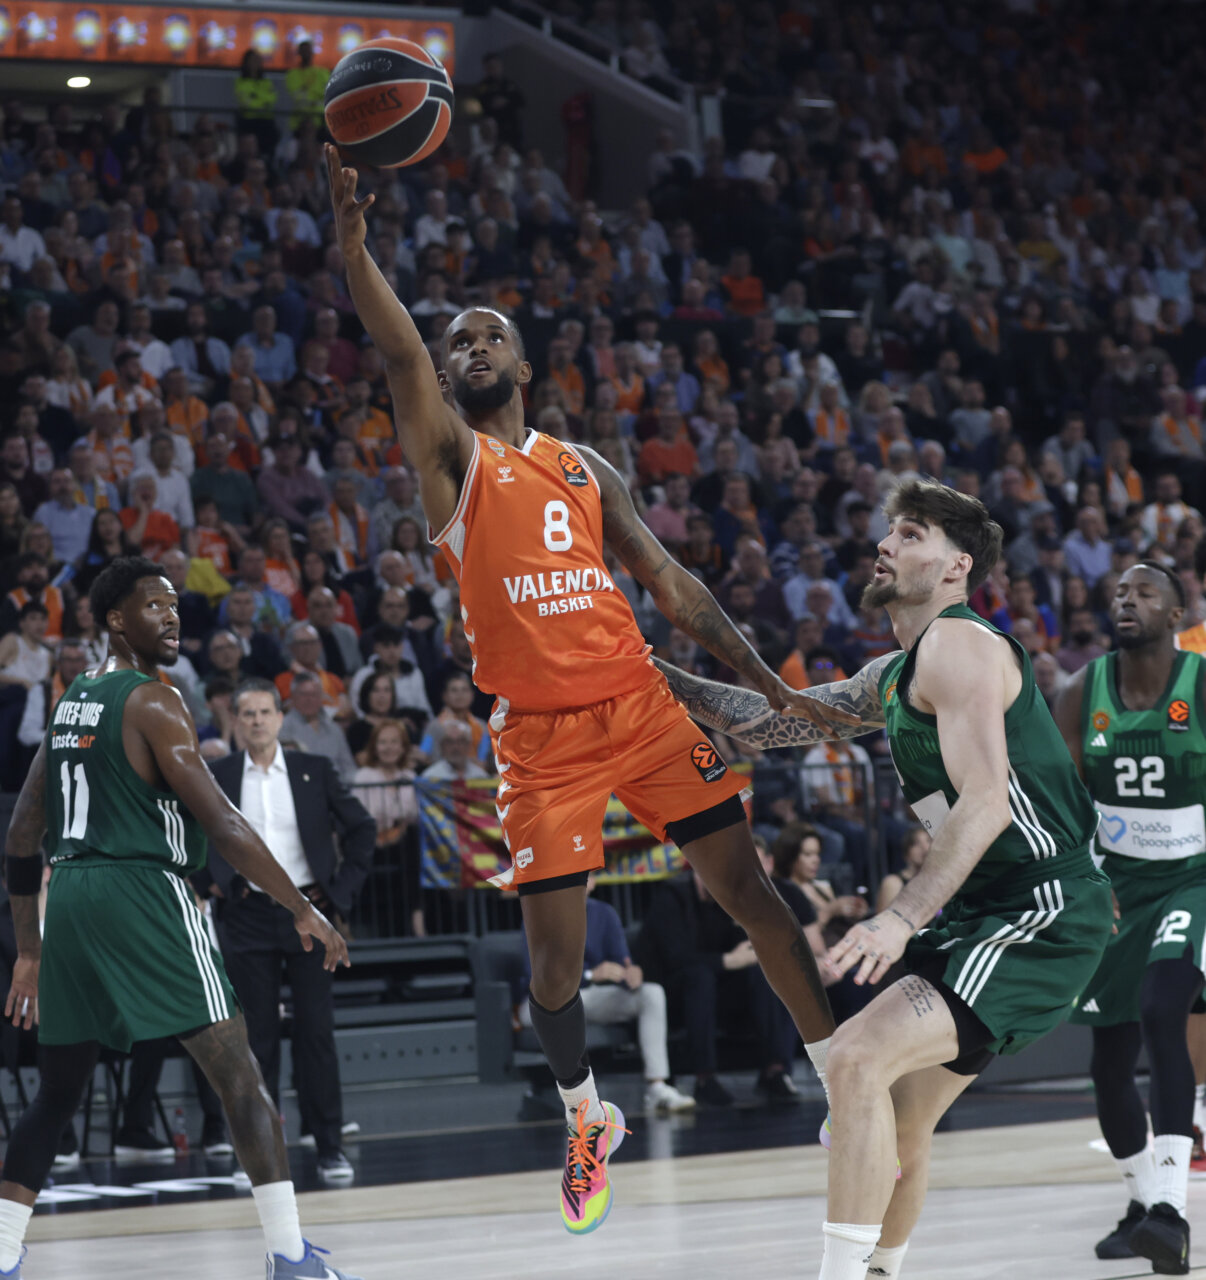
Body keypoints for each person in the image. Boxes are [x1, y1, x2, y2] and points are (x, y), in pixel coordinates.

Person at [328, 143, 848, 1235]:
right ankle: (585, 1115)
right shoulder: (449, 460)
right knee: (552, 971)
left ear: (523, 367)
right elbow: (395, 350)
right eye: (454, 334)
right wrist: (354, 249)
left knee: (749, 888)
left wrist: (762, 681)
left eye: (487, 335)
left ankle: (840, 1076)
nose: (464, 344)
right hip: (541, 741)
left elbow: (670, 579)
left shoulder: (583, 467)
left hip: (644, 709)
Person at [651, 478, 1113, 1280]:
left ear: (956, 566)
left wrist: (898, 918)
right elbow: (773, 719)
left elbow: (988, 803)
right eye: (888, 531)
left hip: (1038, 908)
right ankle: (877, 1272)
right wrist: (645, 673)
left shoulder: (961, 645)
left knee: (856, 1057)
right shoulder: (894, 674)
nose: (886, 545)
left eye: (909, 534)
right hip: (991, 912)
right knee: (900, 1116)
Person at [0, 557, 358, 1280]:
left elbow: (18, 837)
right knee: (240, 1074)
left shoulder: (72, 703)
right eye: (153, 606)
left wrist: (30, 950)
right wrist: (303, 908)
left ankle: (2, 1251)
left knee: (58, 1094)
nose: (171, 616)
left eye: (173, 604)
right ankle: (290, 1256)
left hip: (67, 898)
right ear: (114, 621)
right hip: (144, 891)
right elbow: (223, 825)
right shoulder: (154, 702)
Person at [1055, 561, 1206, 1272]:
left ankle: (1174, 1212)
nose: (1127, 600)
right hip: (1116, 886)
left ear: (1177, 614)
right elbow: (1059, 804)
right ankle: (1143, 1205)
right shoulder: (1082, 690)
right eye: (1120, 592)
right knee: (1107, 1059)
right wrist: (1081, 883)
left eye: (1146, 593)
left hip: (1194, 879)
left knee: (1159, 1009)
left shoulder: (1201, 684)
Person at [207, 678, 375, 1185]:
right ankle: (259, 1157)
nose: (257, 720)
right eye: (248, 713)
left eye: (265, 712)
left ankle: (328, 1147)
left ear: (281, 719)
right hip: (248, 913)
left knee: (315, 1033)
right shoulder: (217, 774)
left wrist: (339, 895)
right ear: (235, 721)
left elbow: (362, 829)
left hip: (310, 911)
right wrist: (216, 882)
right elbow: (190, 829)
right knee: (255, 1040)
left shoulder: (313, 770)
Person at [520, 872, 696, 1113]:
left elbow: (622, 962)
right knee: (542, 1010)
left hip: (594, 998)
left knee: (651, 993)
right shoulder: (540, 914)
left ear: (592, 882)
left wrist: (631, 974)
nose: (580, 881)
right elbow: (534, 974)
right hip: (549, 1001)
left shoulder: (604, 913)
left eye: (586, 875)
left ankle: (657, 1086)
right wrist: (592, 974)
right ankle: (575, 1099)